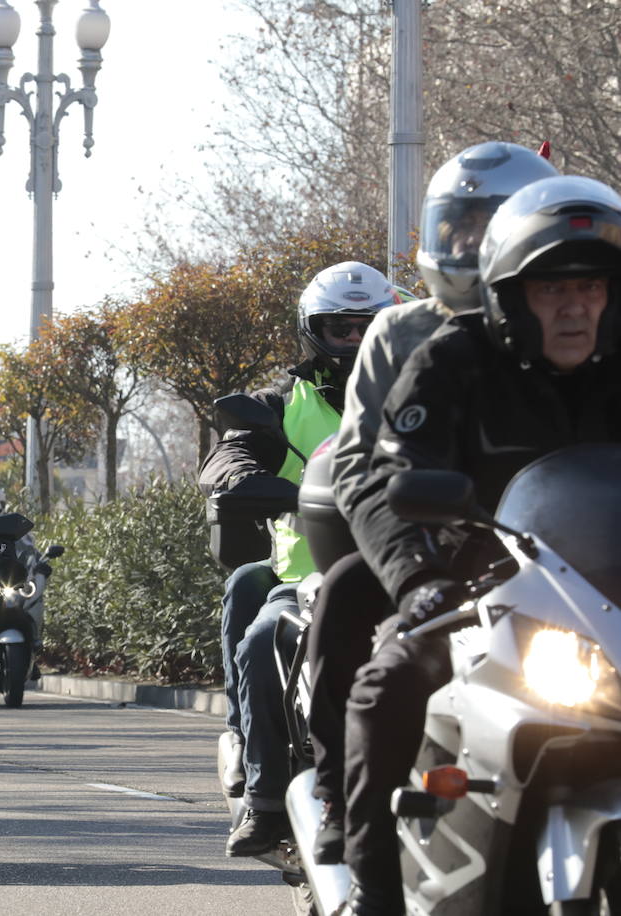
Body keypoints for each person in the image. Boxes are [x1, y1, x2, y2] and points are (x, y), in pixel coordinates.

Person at [339, 175, 621, 914]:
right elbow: (391, 478)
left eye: (589, 288)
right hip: (483, 595)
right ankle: (372, 893)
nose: (573, 308)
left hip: (609, 607)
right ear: (508, 297)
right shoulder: (451, 360)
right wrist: (420, 579)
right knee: (385, 686)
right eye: (551, 290)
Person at [304, 142, 559, 865]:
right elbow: (361, 461)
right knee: (349, 595)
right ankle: (349, 816)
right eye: (461, 227)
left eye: (493, 225)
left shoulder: (592, 329)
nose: (472, 244)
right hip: (445, 553)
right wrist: (413, 570)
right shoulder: (412, 333)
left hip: (574, 561)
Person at [200, 261, 396, 857]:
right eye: (341, 328)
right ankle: (263, 799)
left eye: (371, 326)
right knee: (261, 640)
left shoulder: (427, 389)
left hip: (410, 568)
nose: (357, 341)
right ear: (313, 331)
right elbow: (226, 460)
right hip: (307, 576)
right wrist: (251, 477)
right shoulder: (281, 403)